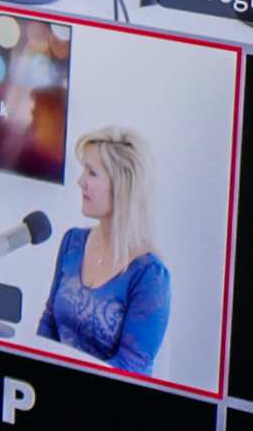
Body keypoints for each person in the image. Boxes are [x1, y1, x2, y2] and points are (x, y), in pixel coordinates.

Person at [39, 125, 171, 375]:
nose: (80, 182)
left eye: (92, 173)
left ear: (123, 186)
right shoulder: (72, 243)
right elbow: (49, 323)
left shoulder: (150, 276)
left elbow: (131, 366)